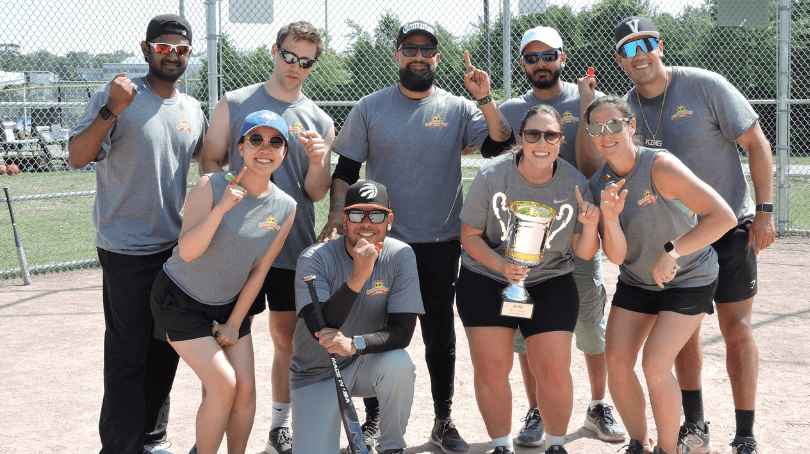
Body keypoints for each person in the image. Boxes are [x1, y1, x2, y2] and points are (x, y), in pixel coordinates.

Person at [316, 20, 514, 453]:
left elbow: (500, 145)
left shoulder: (459, 107)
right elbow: (346, 171)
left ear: (437, 58)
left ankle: (442, 420)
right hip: (379, 243)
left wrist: (484, 97)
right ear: (398, 56)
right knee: (373, 326)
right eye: (410, 49)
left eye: (427, 50)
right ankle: (372, 420)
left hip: (439, 241)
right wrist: (335, 214)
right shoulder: (370, 107)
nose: (419, 57)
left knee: (438, 331)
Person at [613, 16, 775, 454]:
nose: (638, 54)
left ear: (660, 46)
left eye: (645, 43)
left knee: (736, 328)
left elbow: (757, 143)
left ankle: (744, 434)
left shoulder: (704, 85)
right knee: (681, 336)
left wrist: (764, 211)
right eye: (628, 48)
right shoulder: (624, 110)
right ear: (620, 59)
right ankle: (694, 424)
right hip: (675, 240)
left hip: (727, 227)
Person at [67, 14, 207, 454]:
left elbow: (212, 167)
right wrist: (112, 109)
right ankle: (120, 447)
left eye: (182, 49)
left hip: (174, 249)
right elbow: (76, 157)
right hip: (126, 249)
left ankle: (151, 438)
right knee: (128, 356)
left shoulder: (191, 109)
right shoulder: (118, 97)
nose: (173, 55)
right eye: (164, 47)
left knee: (166, 347)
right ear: (146, 50)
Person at [196, 21, 333, 454]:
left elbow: (316, 192)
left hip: (291, 244)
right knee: (227, 338)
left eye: (306, 61)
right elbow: (210, 160)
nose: (295, 67)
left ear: (314, 65)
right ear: (275, 51)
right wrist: (232, 204)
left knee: (286, 337)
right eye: (289, 56)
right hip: (235, 247)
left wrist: (316, 162)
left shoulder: (320, 119)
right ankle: (212, 439)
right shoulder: (234, 103)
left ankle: (278, 426)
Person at [584, 96, 737, 454]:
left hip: (690, 278)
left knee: (655, 363)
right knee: (617, 362)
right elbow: (617, 255)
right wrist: (608, 216)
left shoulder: (660, 166)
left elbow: (723, 217)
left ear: (631, 126)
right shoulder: (599, 183)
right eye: (595, 128)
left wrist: (674, 251)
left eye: (614, 125)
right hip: (637, 281)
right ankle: (640, 442)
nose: (605, 134)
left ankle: (670, 449)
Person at [498, 25, 626, 446]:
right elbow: (494, 156)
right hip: (526, 238)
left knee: (590, 321)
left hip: (578, 229)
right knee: (524, 326)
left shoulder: (584, 96)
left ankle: (597, 404)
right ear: (523, 64)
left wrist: (588, 102)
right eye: (531, 58)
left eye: (548, 55)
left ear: (562, 57)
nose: (540, 64)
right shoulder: (514, 108)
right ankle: (535, 411)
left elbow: (589, 169)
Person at [151, 111, 296, 454]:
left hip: (228, 306)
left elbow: (259, 271)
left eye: (276, 141)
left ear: (284, 152)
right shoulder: (211, 185)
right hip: (181, 298)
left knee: (245, 388)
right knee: (224, 385)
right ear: (241, 148)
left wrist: (234, 323)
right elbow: (186, 251)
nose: (266, 147)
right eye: (255, 139)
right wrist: (221, 210)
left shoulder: (285, 206)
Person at [457, 104, 600, 454]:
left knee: (552, 371)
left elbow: (583, 253)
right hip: (486, 276)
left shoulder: (574, 183)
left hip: (549, 278)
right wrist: (502, 266)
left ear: (560, 140)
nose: (541, 141)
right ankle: (501, 446)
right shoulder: (493, 175)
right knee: (492, 369)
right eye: (533, 134)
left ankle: (555, 445)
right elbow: (469, 236)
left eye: (550, 135)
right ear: (521, 139)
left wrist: (592, 223)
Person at [290, 180, 423, 454]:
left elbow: (403, 332)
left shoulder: (401, 256)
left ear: (389, 220)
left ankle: (391, 447)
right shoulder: (313, 258)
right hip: (316, 372)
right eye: (356, 215)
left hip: (364, 364)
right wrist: (360, 275)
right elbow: (320, 327)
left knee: (399, 365)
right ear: (343, 219)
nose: (366, 223)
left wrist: (354, 344)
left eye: (375, 215)